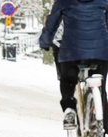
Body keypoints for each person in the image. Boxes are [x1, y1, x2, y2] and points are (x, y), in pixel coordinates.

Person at [39, 0, 108, 133]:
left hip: (72, 52)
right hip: (100, 52)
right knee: (100, 87)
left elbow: (52, 23)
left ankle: (69, 108)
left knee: (67, 80)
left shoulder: (64, 1)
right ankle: (104, 122)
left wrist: (45, 42)